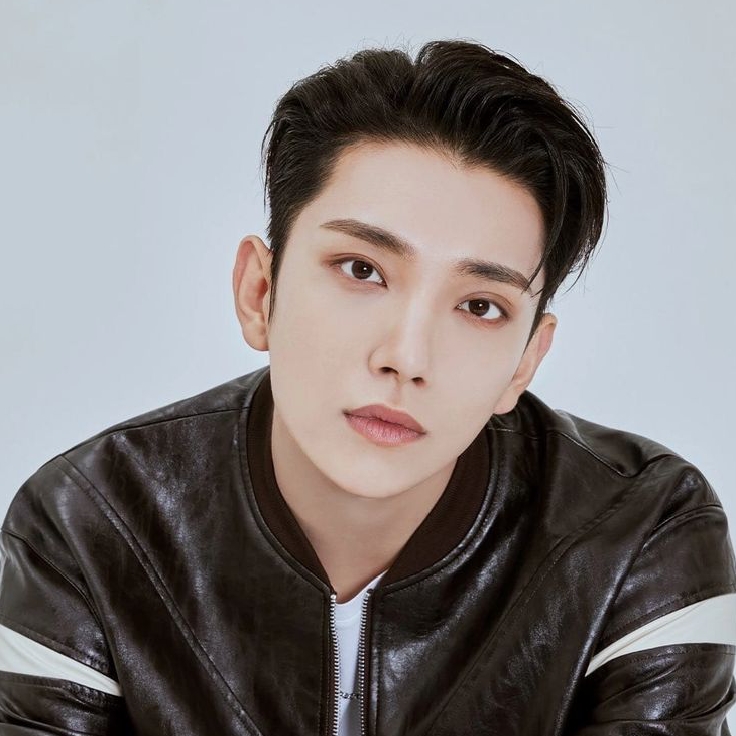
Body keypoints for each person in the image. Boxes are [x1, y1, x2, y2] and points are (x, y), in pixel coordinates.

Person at [1, 39, 735, 736]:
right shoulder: (89, 528)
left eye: (480, 306)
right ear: (260, 292)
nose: (406, 357)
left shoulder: (636, 537)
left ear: (524, 362)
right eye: (362, 270)